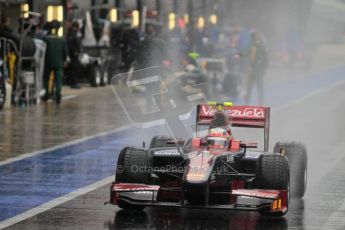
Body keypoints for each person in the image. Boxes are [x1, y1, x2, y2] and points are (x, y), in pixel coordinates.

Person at [43, 20, 68, 104]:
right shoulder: (62, 40)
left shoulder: (46, 39)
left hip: (48, 62)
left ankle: (47, 94)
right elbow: (65, 52)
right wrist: (65, 61)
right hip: (59, 63)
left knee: (46, 79)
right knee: (58, 80)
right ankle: (58, 95)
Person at [245, 31, 268, 105]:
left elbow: (265, 59)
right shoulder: (252, 46)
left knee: (259, 87)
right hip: (252, 70)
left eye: (253, 37)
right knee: (249, 88)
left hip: (258, 71)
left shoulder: (261, 46)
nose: (252, 39)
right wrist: (239, 54)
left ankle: (260, 103)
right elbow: (246, 52)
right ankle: (247, 103)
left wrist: (263, 70)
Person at [67, 21, 81, 89]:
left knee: (75, 69)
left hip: (75, 54)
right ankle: (73, 83)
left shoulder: (74, 33)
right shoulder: (71, 33)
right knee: (73, 69)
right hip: (73, 55)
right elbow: (70, 44)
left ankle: (74, 82)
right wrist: (75, 51)